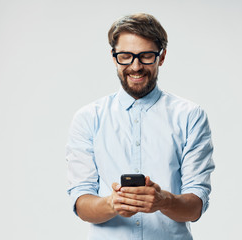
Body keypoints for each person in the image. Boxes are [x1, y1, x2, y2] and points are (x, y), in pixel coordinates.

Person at [66, 13, 215, 240]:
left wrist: (164, 200)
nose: (135, 67)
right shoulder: (88, 118)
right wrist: (111, 203)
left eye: (146, 56)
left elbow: (196, 204)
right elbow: (80, 201)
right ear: (114, 57)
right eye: (126, 56)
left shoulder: (190, 116)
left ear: (161, 57)